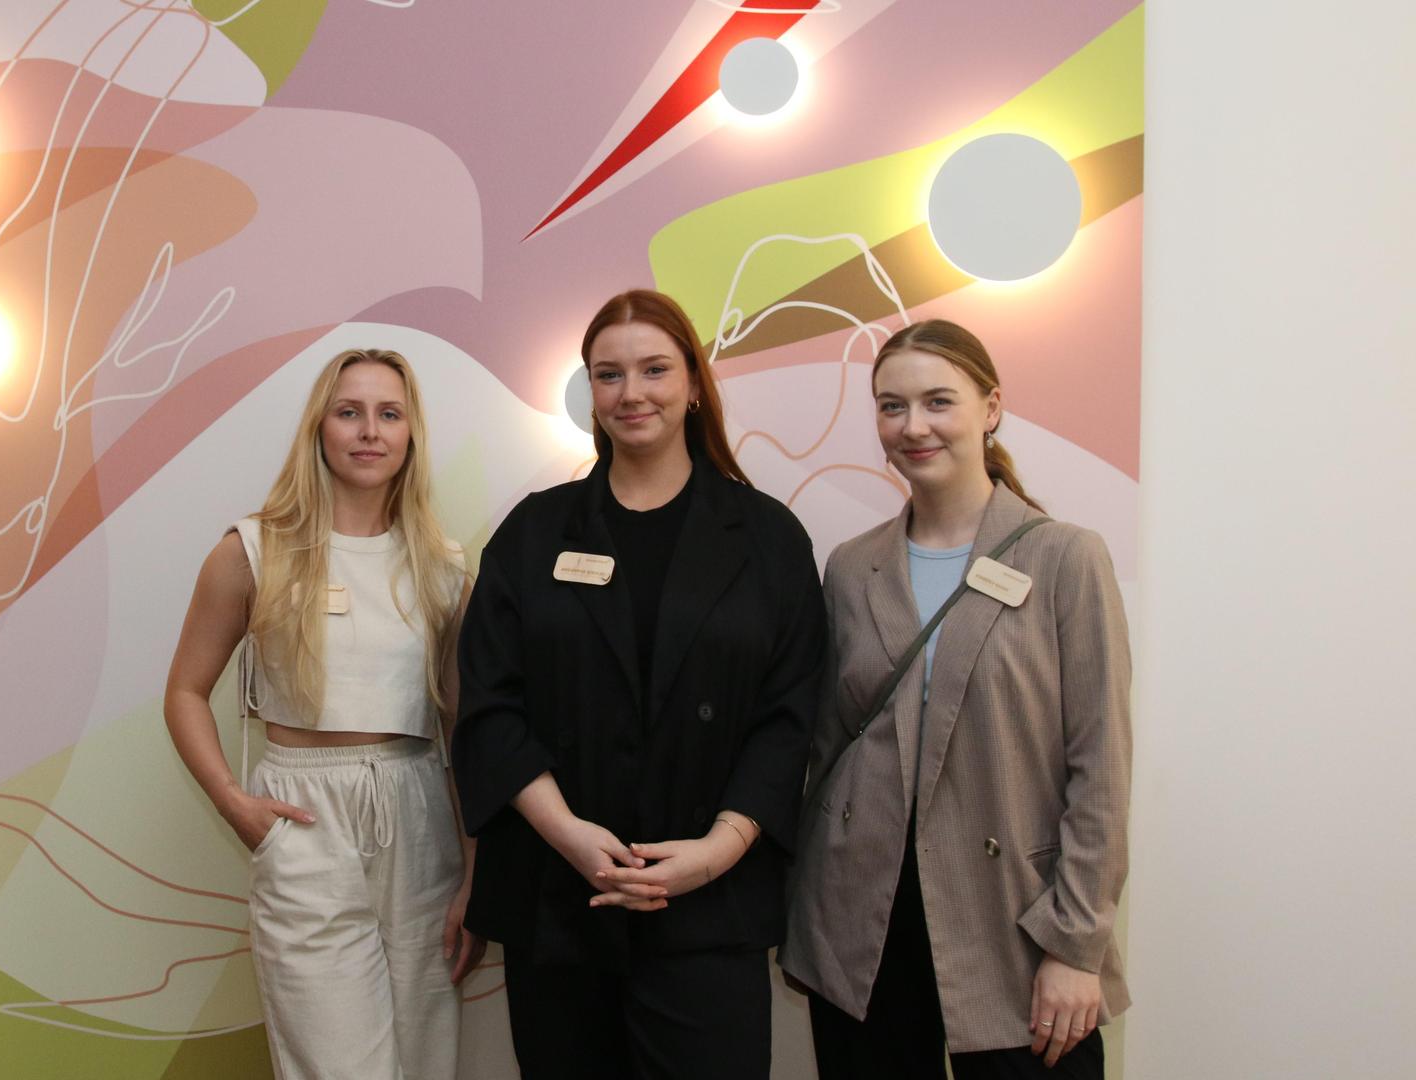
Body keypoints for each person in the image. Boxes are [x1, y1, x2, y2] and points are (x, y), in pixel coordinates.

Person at [452, 289, 825, 1078]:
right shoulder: (533, 531)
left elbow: (790, 718)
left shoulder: (768, 539)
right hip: (558, 901)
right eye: (609, 375)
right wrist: (568, 835)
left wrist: (716, 853)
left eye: (655, 369)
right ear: (591, 393)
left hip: (709, 911)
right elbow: (491, 704)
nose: (632, 393)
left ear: (694, 384)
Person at [781, 319, 1132, 1078]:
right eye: (891, 406)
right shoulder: (851, 568)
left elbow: (1099, 770)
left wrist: (1076, 947)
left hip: (1015, 919)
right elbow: (824, 750)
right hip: (863, 925)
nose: (914, 427)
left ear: (991, 407)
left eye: (939, 401)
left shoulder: (1066, 558)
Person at [162, 347, 480, 1080]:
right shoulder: (253, 550)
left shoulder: (445, 566)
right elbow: (185, 693)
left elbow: (463, 726)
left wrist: (473, 873)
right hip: (304, 815)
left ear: (410, 435)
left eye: (388, 414)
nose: (369, 431)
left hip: (420, 813)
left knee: (425, 1057)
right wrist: (235, 803)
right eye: (349, 412)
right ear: (320, 428)